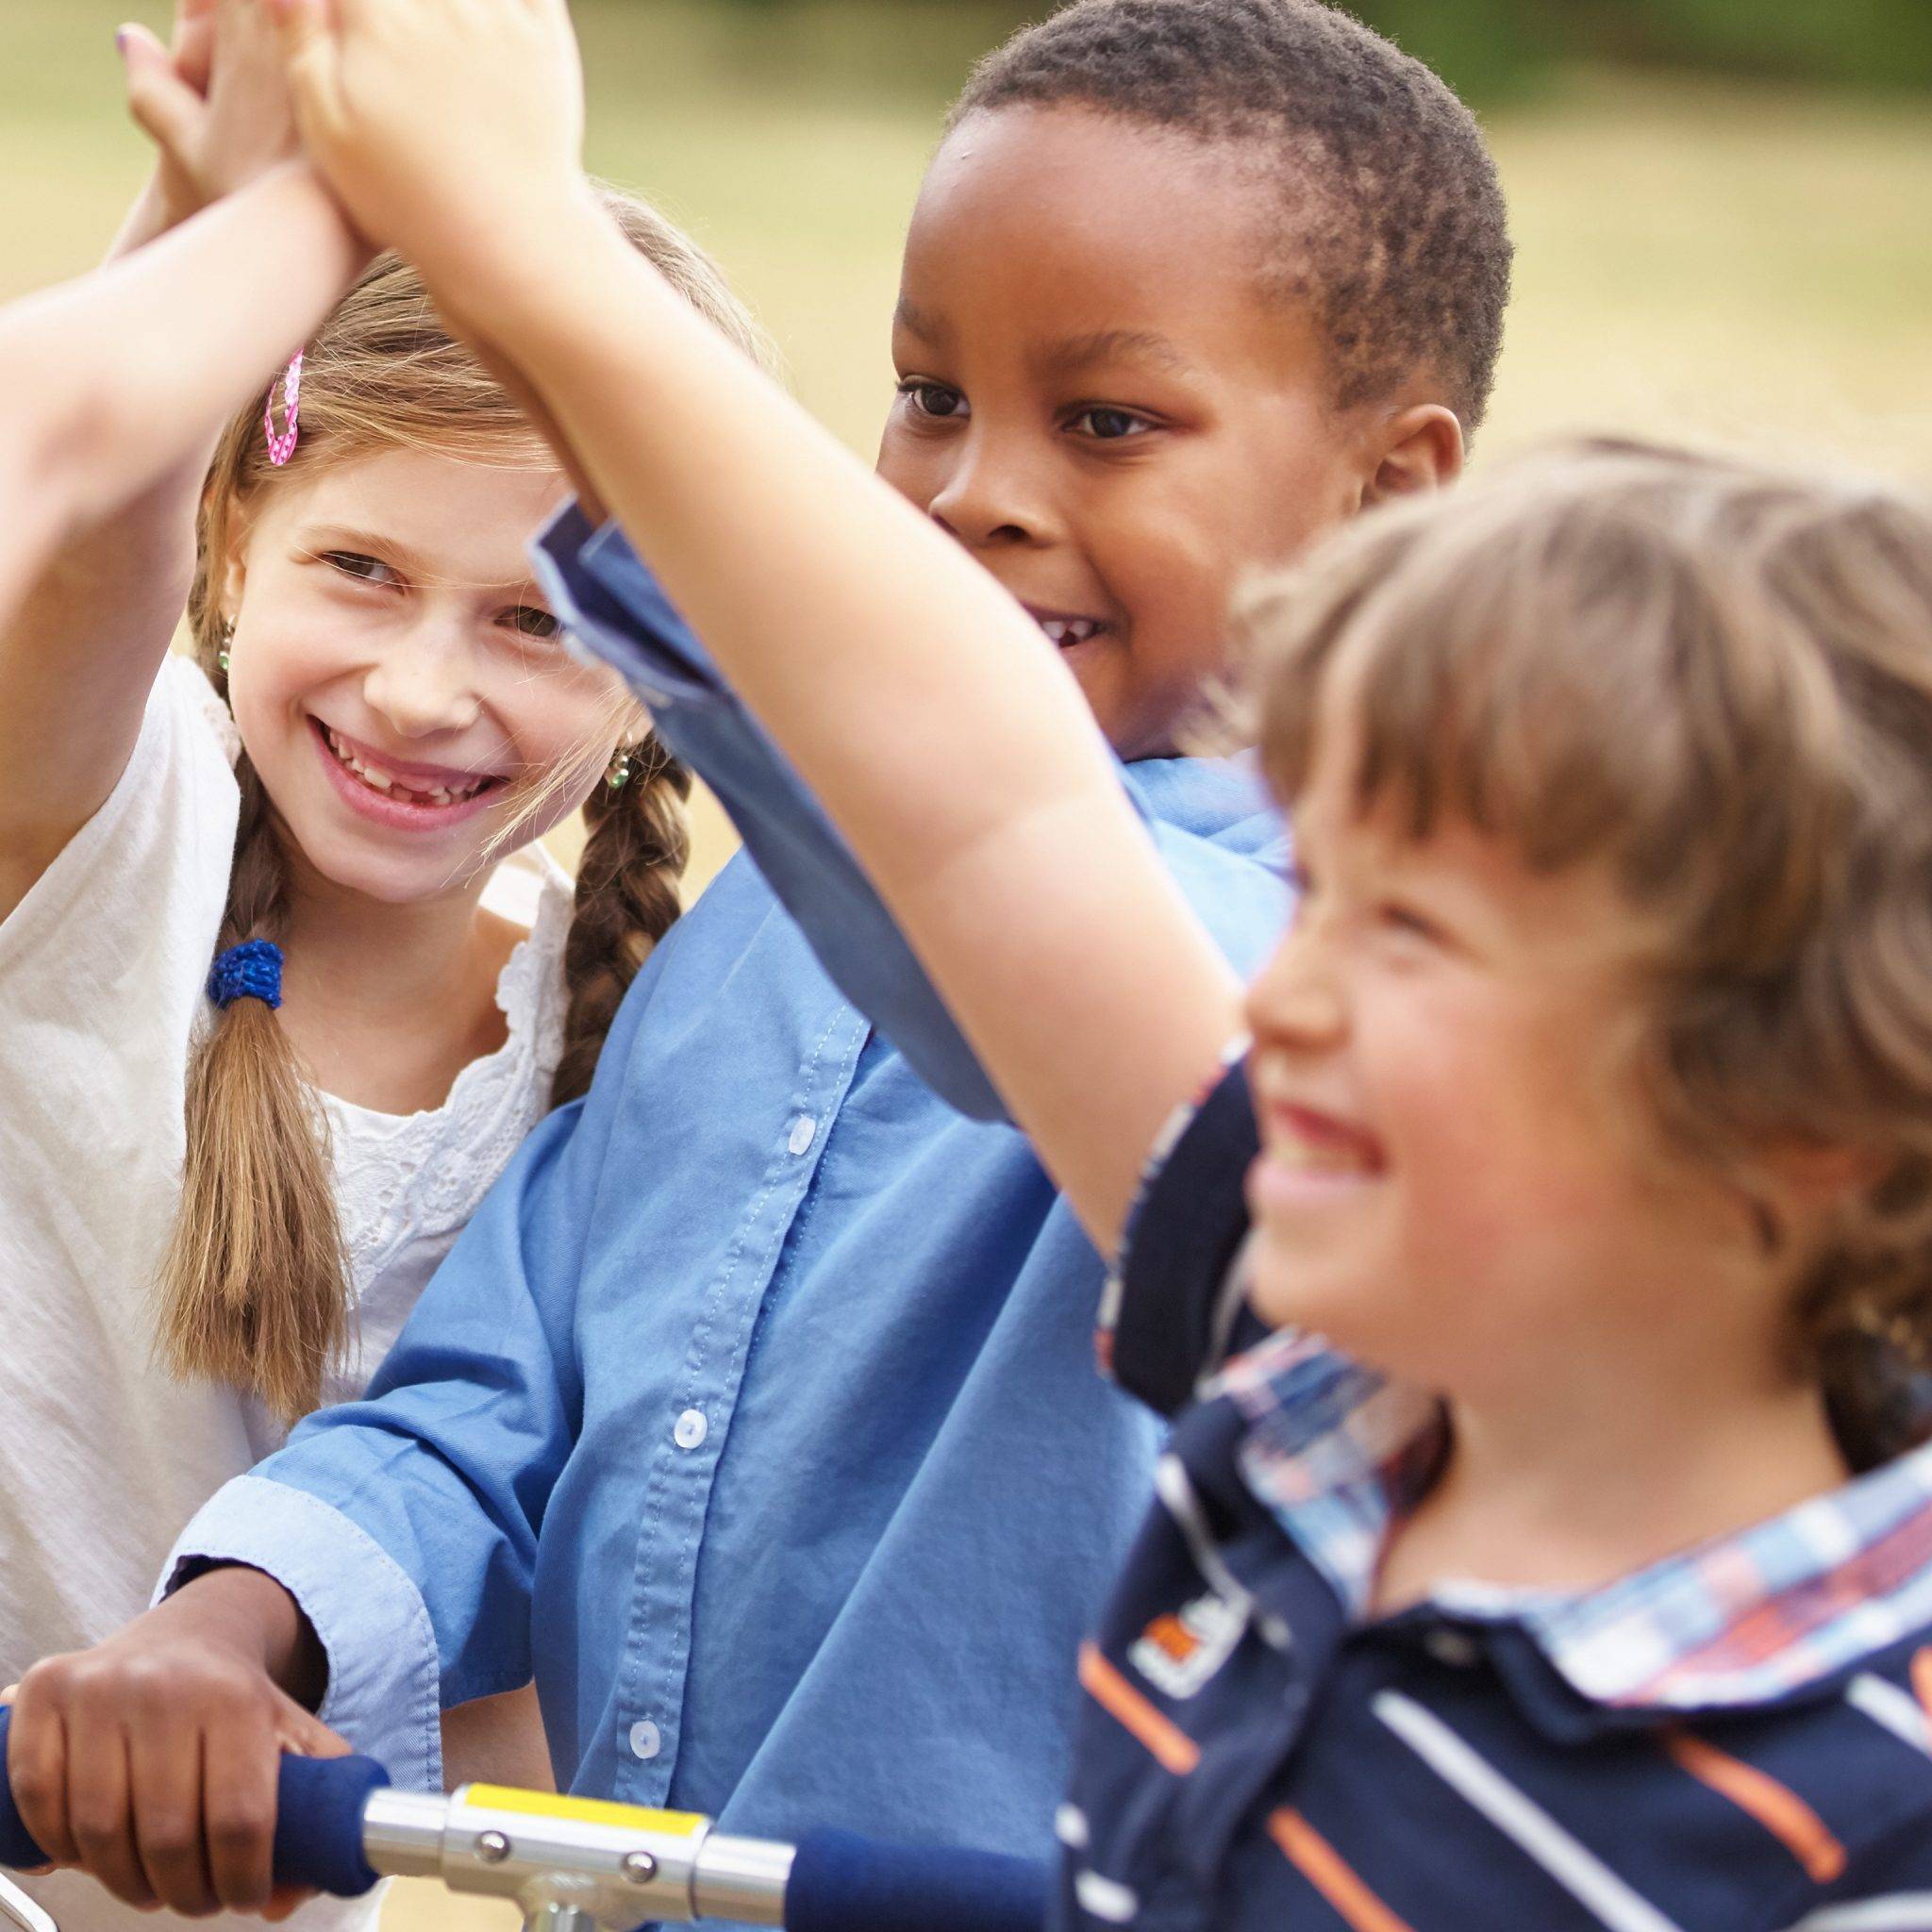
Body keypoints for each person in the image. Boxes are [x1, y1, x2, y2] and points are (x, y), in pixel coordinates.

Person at [5, 0, 1511, 1920]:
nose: (976, 492)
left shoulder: (1337, 976)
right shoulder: (751, 946)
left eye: (1107, 420)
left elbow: (1007, 885)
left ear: (1389, 494)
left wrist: (516, 248)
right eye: (929, 395)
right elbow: (511, 1375)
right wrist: (243, 1617)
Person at [0, 5, 761, 1924]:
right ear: (236, 533)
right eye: (363, 571)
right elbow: (68, 511)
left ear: (661, 654)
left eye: (535, 618)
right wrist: (219, 201)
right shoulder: (116, 839)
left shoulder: (639, 1045)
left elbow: (515, 1686)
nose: (426, 691)